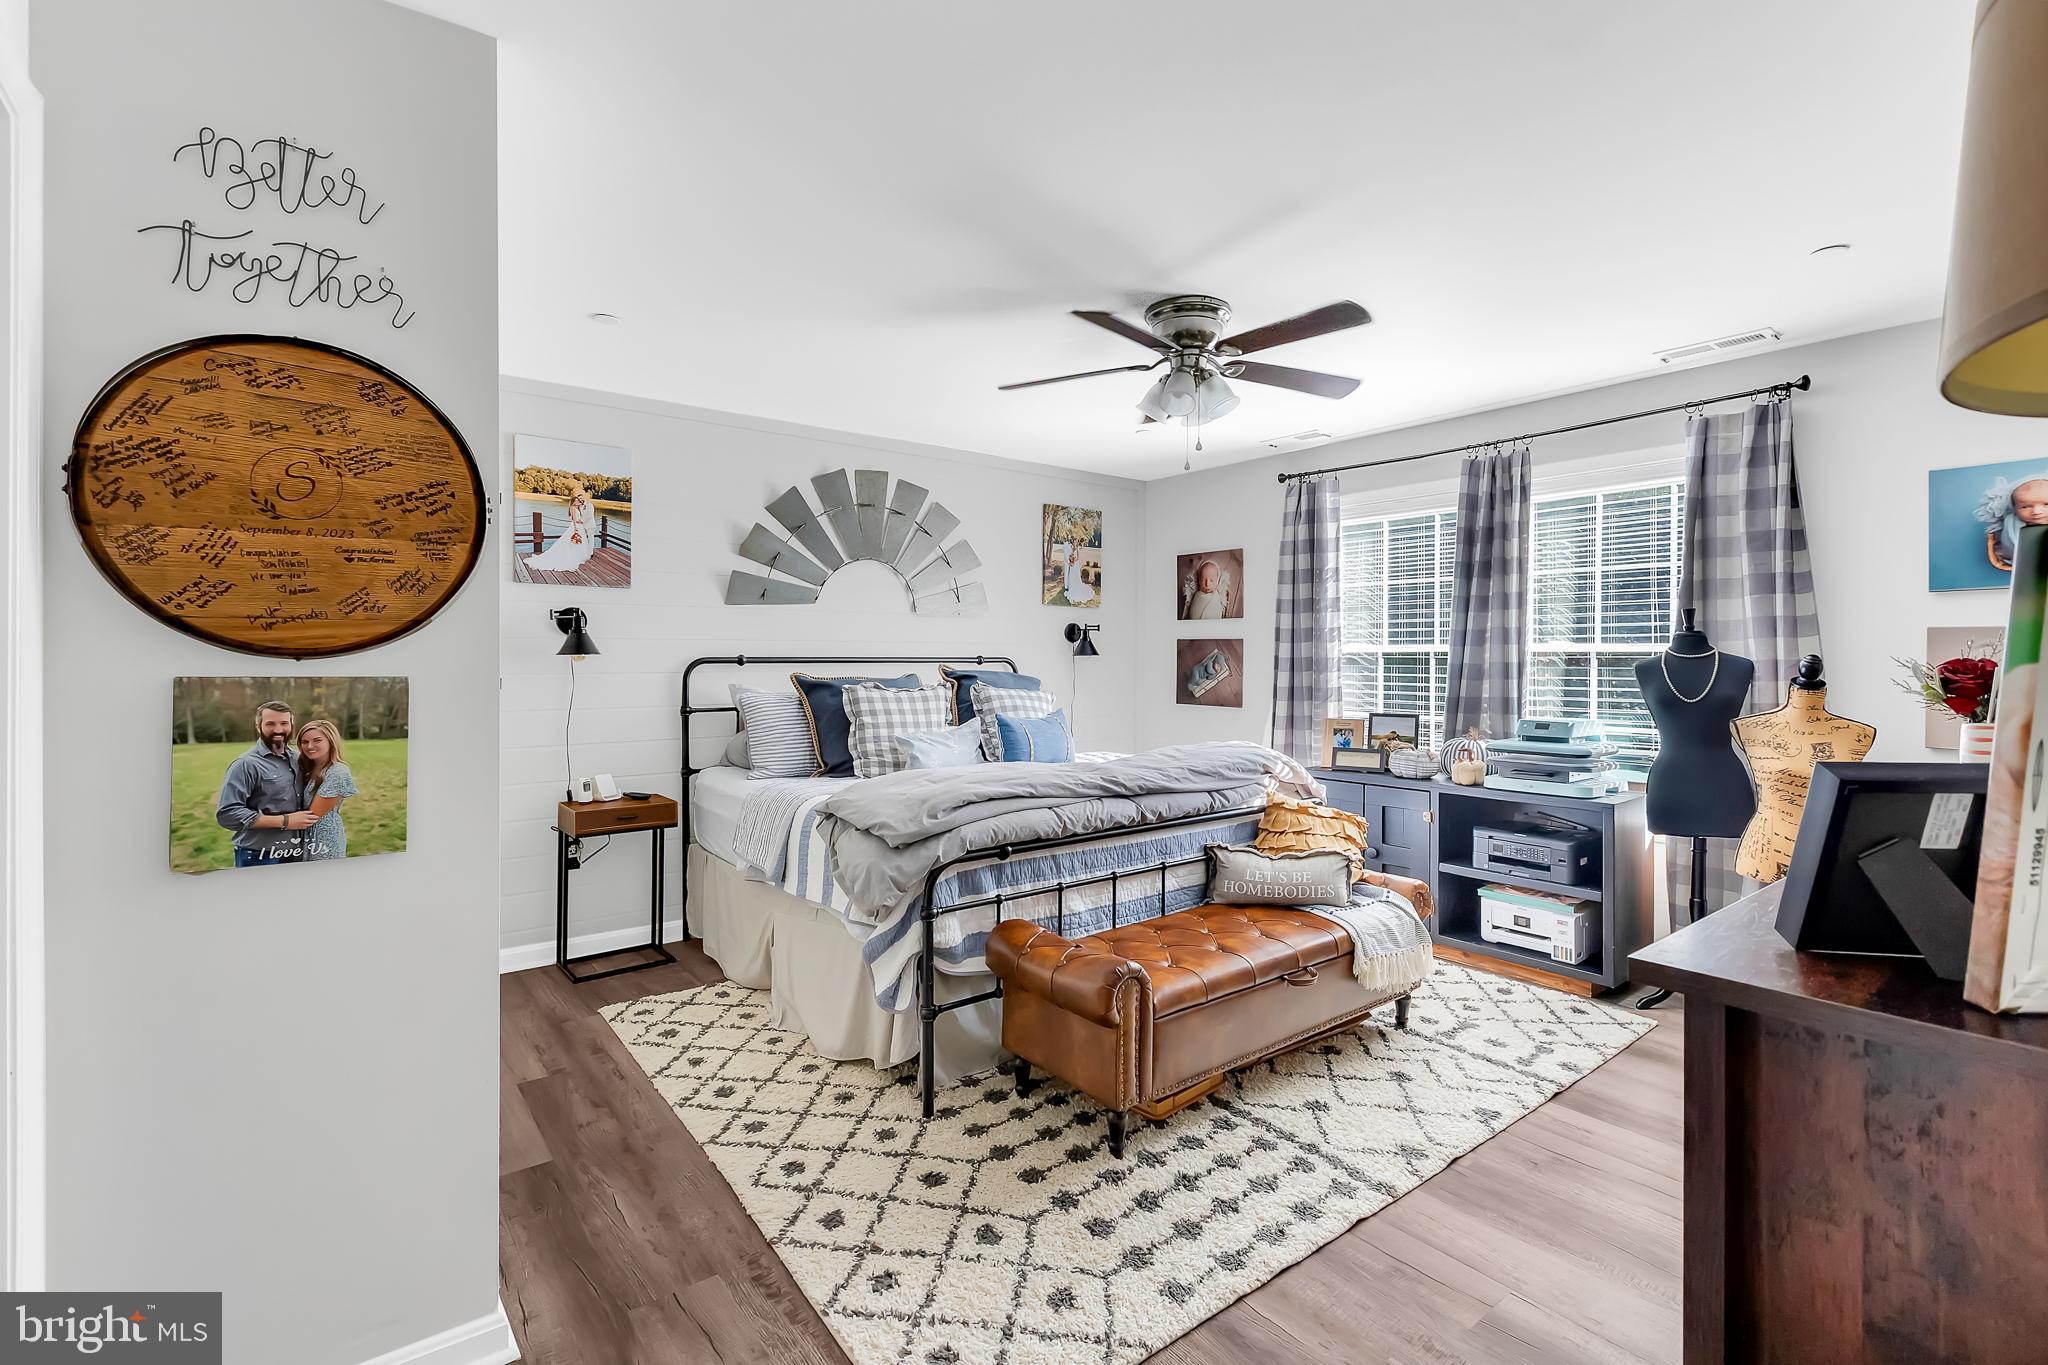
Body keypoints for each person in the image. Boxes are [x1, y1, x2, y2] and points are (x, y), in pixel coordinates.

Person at [214, 700, 316, 868]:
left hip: (296, 851)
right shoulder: (245, 764)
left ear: (292, 724)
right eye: (270, 724)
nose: (278, 730)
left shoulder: (298, 758)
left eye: (284, 723)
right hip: (259, 855)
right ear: (258, 725)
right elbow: (228, 814)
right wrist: (285, 821)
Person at [295, 719, 360, 861]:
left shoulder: (337, 772)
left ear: (331, 741)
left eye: (317, 740)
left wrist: (269, 821)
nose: (309, 746)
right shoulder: (307, 768)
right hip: (303, 839)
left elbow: (312, 815)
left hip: (324, 839)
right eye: (304, 742)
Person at [1975, 474, 2048, 571]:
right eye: (2025, 507)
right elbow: (2009, 547)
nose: (2036, 512)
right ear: (2014, 509)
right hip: (2024, 563)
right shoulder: (2012, 522)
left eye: (2046, 504)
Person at [526, 483, 596, 573]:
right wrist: (576, 529)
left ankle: (578, 554)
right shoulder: (573, 508)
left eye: (579, 500)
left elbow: (586, 516)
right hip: (576, 526)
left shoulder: (580, 507)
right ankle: (572, 554)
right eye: (577, 500)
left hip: (581, 526)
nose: (579, 502)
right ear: (574, 501)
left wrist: (581, 522)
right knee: (572, 541)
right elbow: (574, 520)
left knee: (578, 541)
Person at [1063, 537, 1096, 605]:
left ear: (1077, 542)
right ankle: (1071, 587)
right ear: (1072, 542)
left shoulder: (1077, 548)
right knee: (1071, 575)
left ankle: (1076, 587)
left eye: (1075, 542)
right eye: (1074, 541)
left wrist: (1074, 561)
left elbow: (1078, 557)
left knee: (1075, 575)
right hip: (1072, 565)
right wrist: (1070, 561)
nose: (1075, 543)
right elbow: (1069, 555)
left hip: (1076, 565)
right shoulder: (1071, 548)